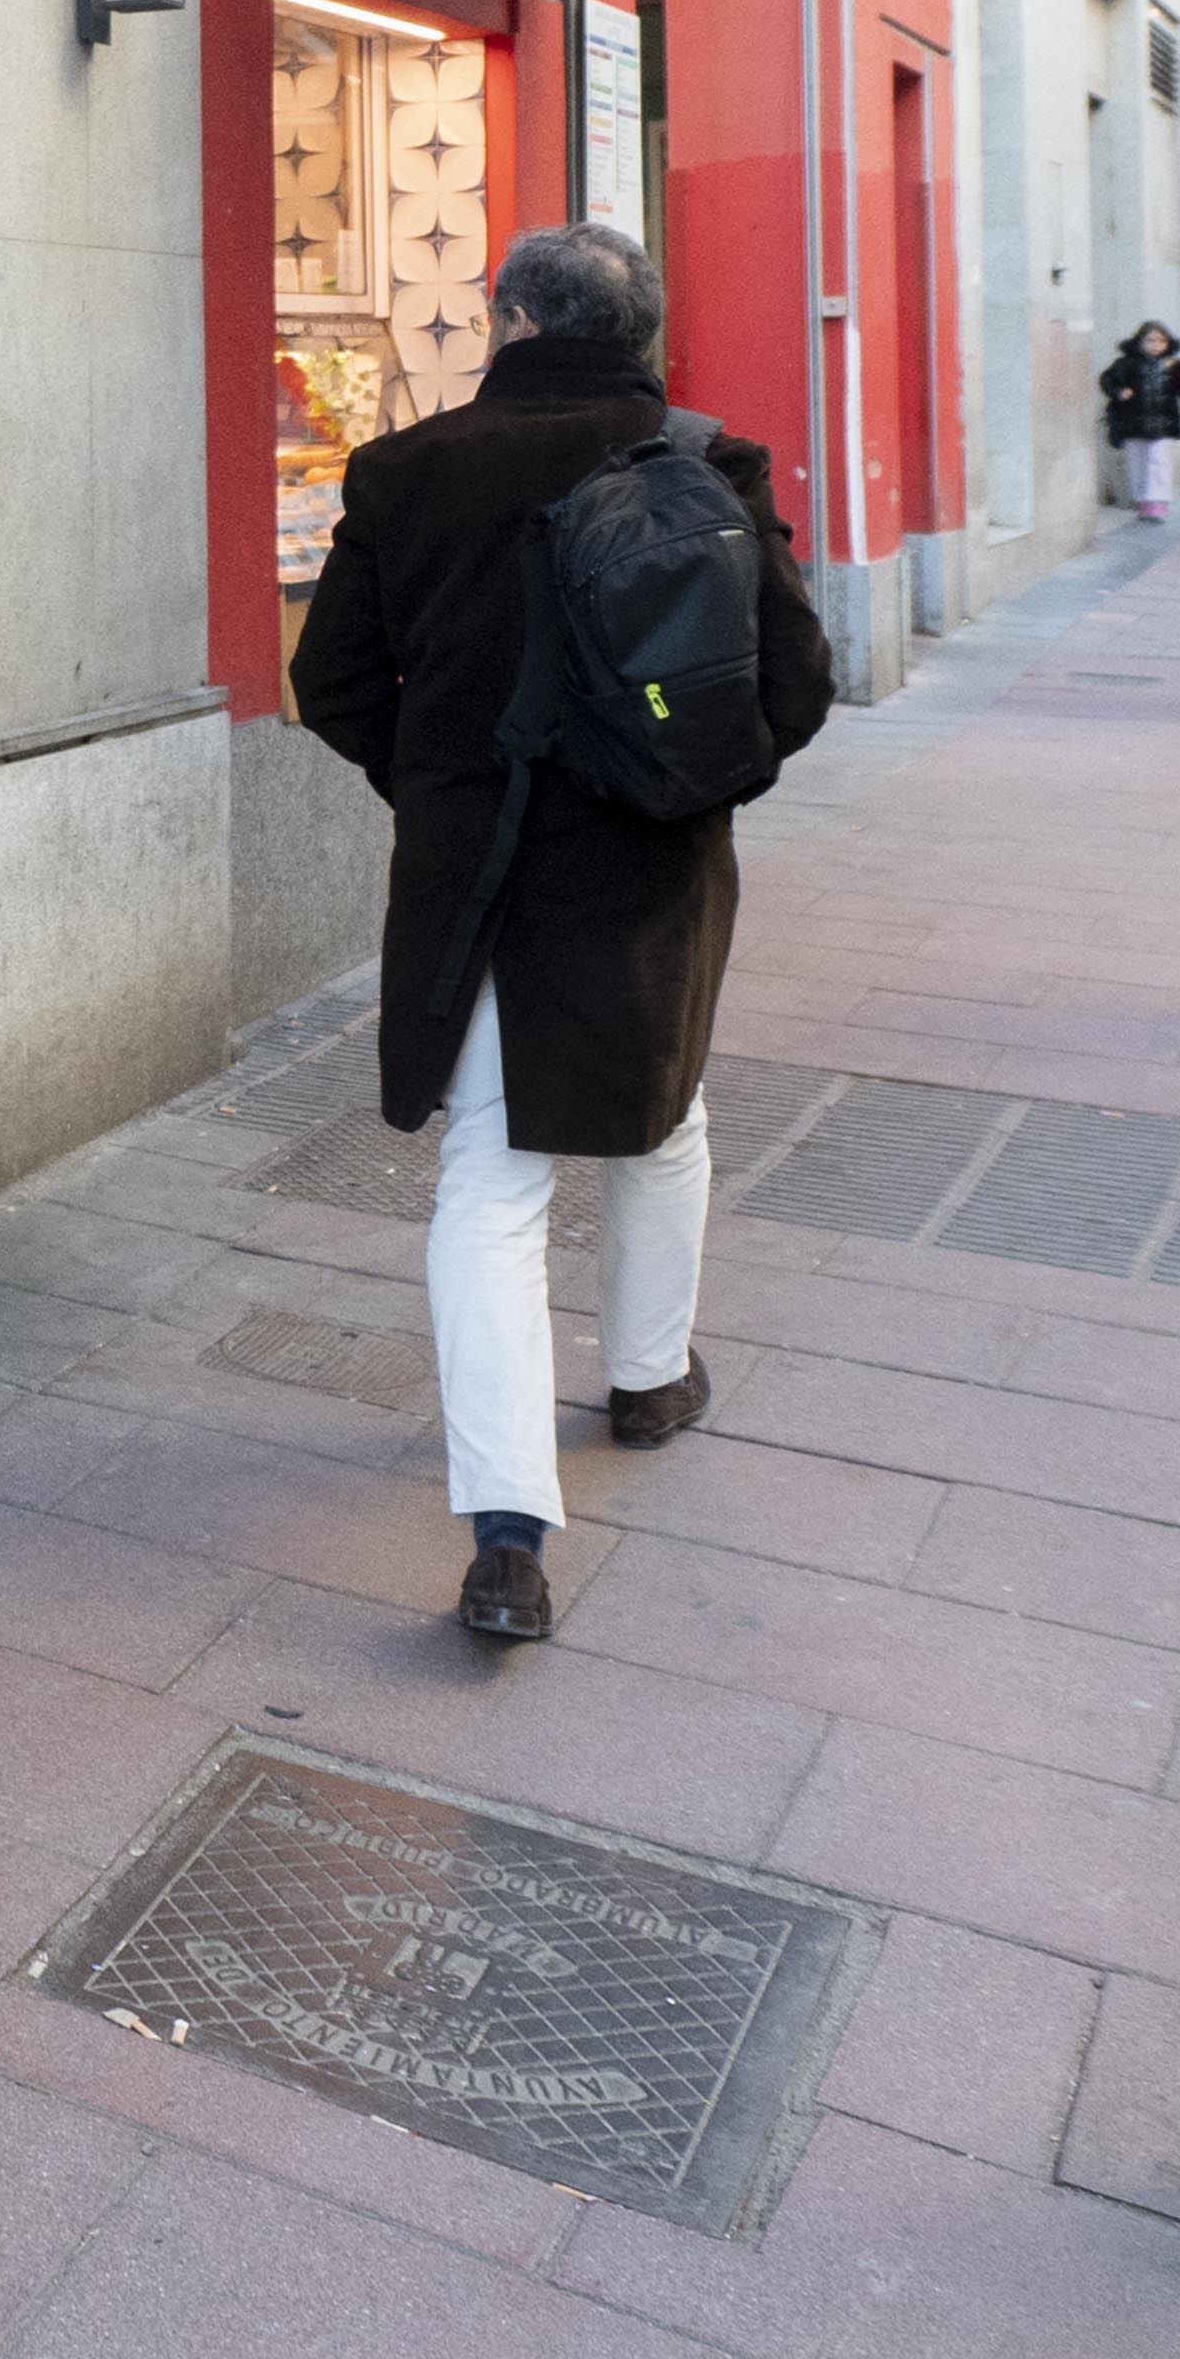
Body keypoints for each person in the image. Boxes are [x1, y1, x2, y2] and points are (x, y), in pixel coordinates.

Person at [290, 221, 838, 1644]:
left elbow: (333, 677)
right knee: (663, 1119)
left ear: (512, 318)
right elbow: (795, 682)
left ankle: (510, 1532)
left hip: (481, 868)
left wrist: (439, 775)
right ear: (640, 327)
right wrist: (685, 782)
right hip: (653, 863)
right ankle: (651, 1378)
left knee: (491, 1181)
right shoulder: (708, 457)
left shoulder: (408, 468)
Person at [1099, 322, 1180, 523]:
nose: (1156, 345)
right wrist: (1119, 392)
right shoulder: (1126, 363)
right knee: (1138, 462)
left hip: (1164, 423)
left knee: (1159, 461)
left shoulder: (1174, 364)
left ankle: (1158, 502)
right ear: (1139, 342)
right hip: (1133, 423)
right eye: (1150, 340)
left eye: (1161, 340)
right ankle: (1142, 501)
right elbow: (1107, 380)